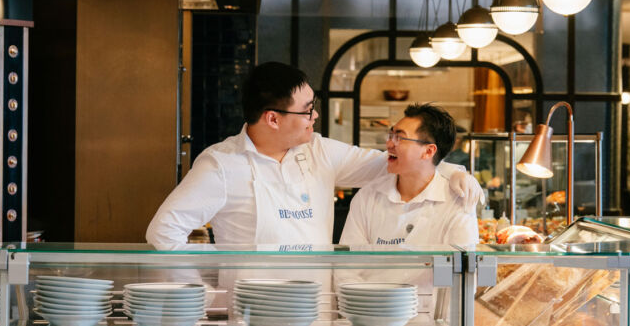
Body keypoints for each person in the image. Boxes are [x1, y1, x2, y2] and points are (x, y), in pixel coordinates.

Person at [145, 62, 481, 250]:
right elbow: (163, 233)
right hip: (252, 316)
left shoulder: (319, 150)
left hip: (319, 313)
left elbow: (394, 162)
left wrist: (453, 171)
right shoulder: (219, 164)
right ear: (273, 118)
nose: (315, 117)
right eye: (307, 110)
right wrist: (212, 276)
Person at [340, 104, 478, 248]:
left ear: (429, 151)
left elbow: (463, 264)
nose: (389, 144)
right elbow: (348, 266)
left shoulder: (457, 201)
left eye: (399, 138)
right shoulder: (367, 197)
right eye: (391, 135)